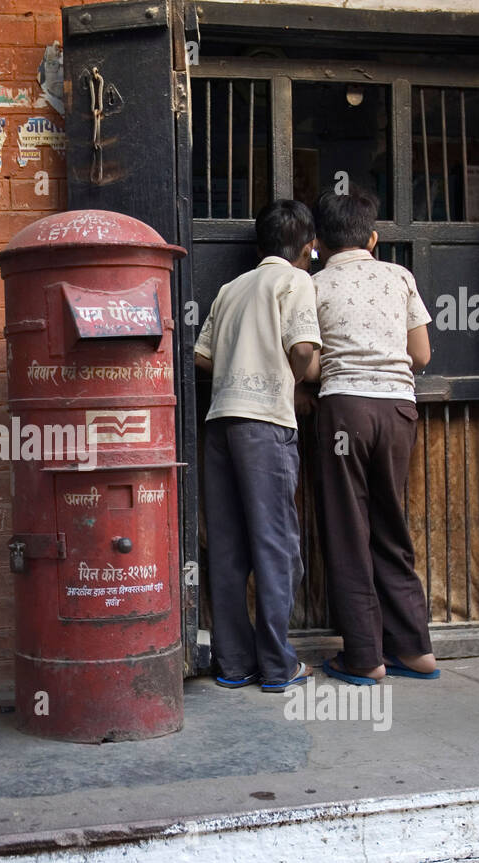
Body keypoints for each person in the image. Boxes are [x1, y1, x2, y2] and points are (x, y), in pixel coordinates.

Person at [309, 184, 439, 685]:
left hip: (345, 410)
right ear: (373, 239)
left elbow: (310, 362)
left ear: (319, 242)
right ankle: (415, 649)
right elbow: (421, 355)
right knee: (391, 527)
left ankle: (365, 657)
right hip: (398, 410)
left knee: (348, 530)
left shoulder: (313, 285)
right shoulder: (400, 277)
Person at [194, 200, 321, 692]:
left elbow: (202, 357)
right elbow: (303, 349)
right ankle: (277, 665)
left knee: (227, 548)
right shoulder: (295, 281)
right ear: (306, 247)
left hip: (220, 423)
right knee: (276, 545)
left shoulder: (231, 288)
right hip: (265, 423)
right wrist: (297, 376)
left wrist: (240, 360)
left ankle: (233, 663)